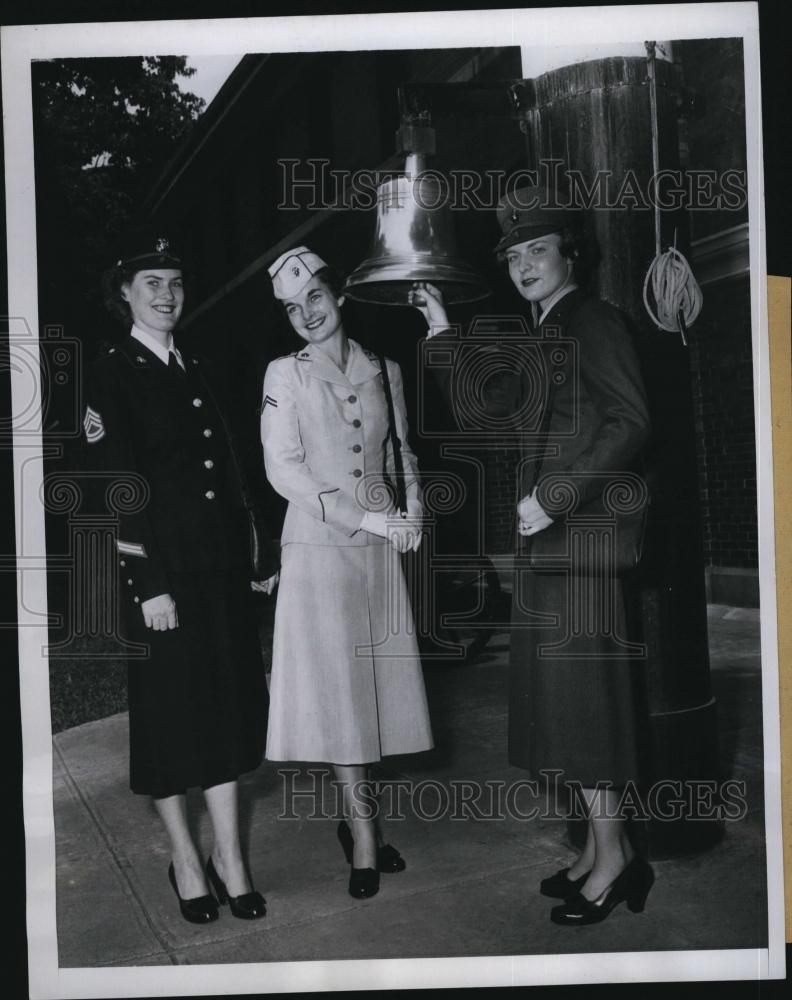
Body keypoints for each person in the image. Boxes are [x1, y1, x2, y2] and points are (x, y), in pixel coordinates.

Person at [413, 187, 655, 926]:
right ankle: (597, 850)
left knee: (587, 716)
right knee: (564, 716)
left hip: (578, 548)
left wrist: (555, 497)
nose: (523, 265)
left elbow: (632, 421)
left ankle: (615, 863)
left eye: (536, 250)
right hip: (547, 553)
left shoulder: (594, 321)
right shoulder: (542, 330)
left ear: (568, 254)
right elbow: (489, 414)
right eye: (513, 256)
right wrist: (439, 328)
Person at [82, 231, 278, 923]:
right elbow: (119, 488)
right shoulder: (112, 369)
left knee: (224, 710)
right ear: (124, 296)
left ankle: (231, 858)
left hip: (217, 573)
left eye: (175, 282)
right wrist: (149, 585)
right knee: (172, 719)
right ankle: (187, 862)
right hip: (163, 579)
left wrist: (255, 559)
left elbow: (224, 471)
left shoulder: (192, 362)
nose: (167, 294)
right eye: (151, 284)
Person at [260, 246, 433, 899]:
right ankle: (363, 836)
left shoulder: (383, 370)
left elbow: (402, 452)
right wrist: (372, 522)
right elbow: (284, 470)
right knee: (339, 695)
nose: (306, 314)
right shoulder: (286, 376)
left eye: (315, 298)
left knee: (373, 692)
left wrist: (413, 512)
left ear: (338, 296)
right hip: (320, 547)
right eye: (291, 307)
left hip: (380, 550)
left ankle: (360, 822)